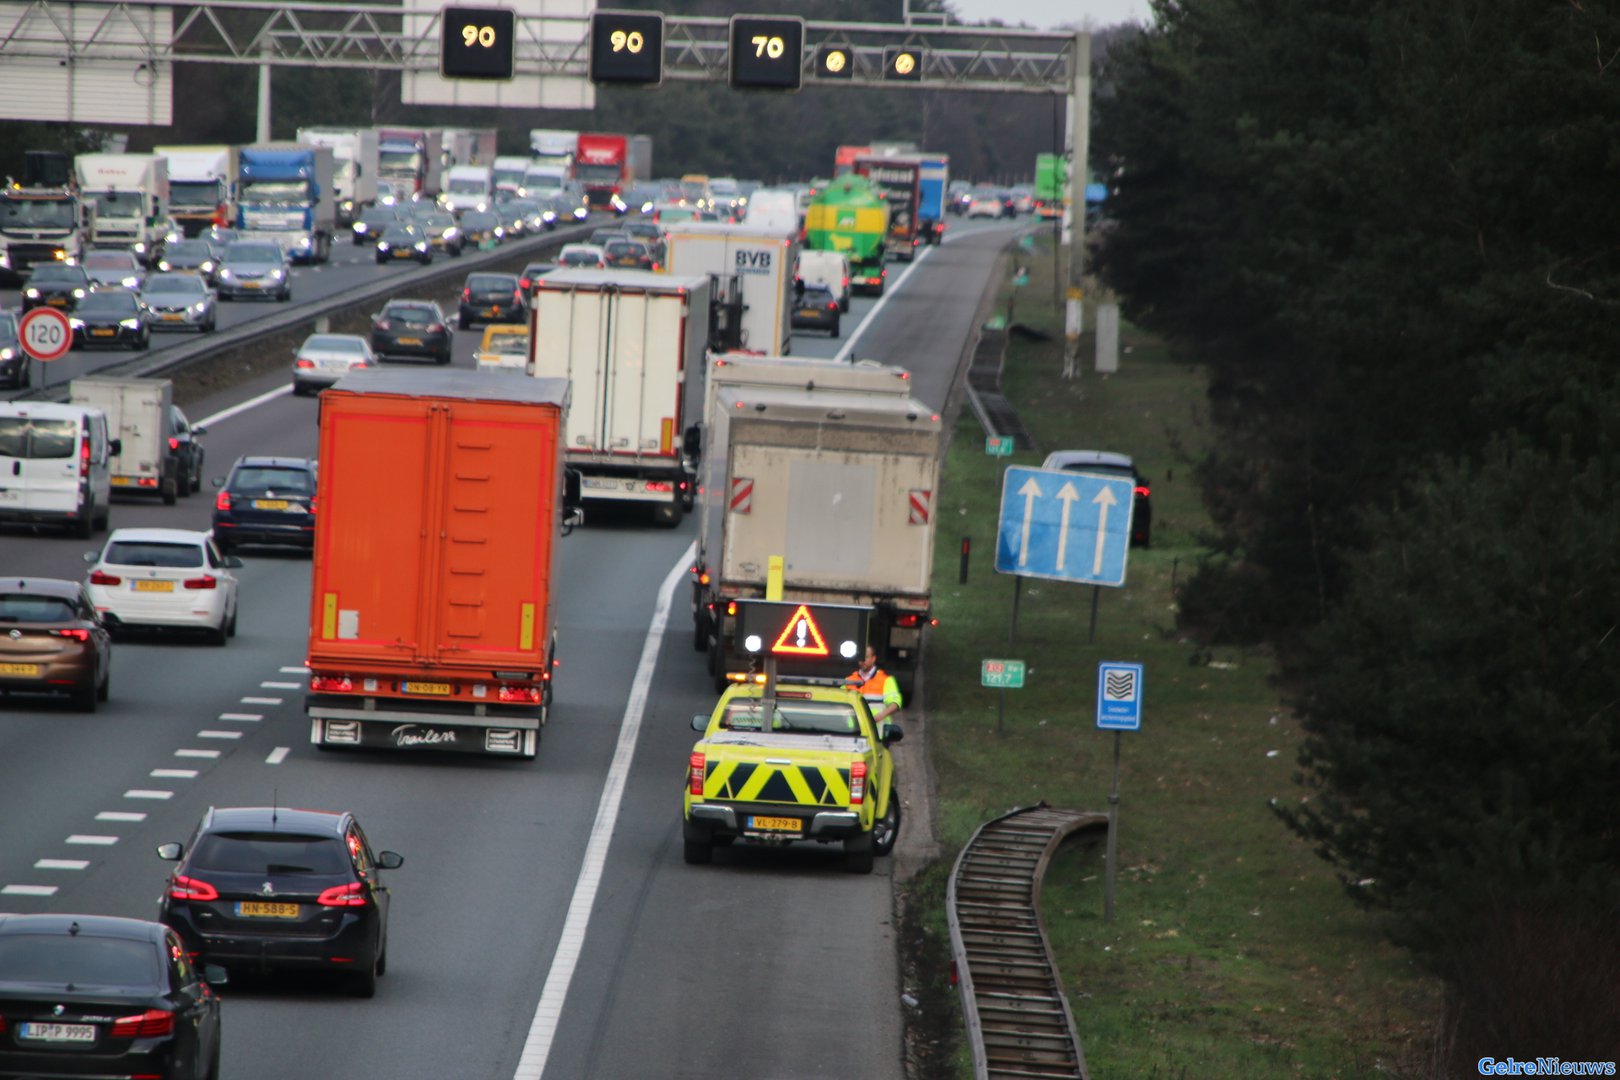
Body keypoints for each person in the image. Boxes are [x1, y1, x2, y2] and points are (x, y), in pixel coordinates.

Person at [847, 645, 902, 723]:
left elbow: (895, 703)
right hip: (853, 731)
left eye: (866, 657)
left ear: (873, 659)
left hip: (877, 731)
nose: (862, 661)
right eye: (861, 657)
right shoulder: (849, 680)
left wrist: (879, 716)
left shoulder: (886, 680)